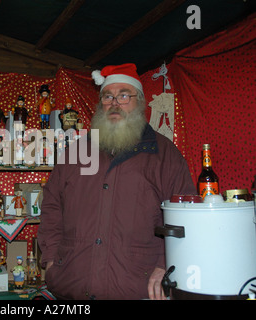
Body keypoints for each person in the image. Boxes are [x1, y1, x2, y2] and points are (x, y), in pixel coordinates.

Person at [37, 63, 195, 300]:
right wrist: (50, 260)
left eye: (123, 95)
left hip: (138, 287)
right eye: (107, 96)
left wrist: (166, 264)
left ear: (139, 101)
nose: (114, 103)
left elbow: (186, 216)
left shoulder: (165, 155)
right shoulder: (78, 152)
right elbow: (51, 206)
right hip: (72, 287)